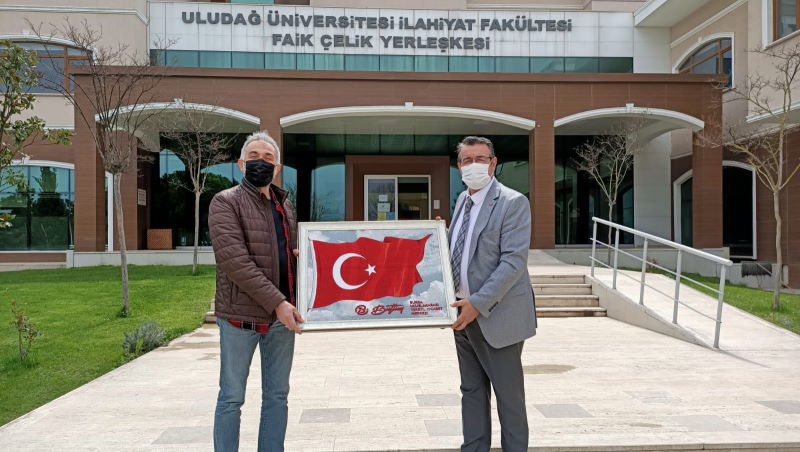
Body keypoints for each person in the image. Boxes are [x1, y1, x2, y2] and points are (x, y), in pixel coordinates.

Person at [208, 130, 304, 452]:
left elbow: (287, 255)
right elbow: (235, 262)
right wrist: (278, 302)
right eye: (253, 157)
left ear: (277, 167)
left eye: (267, 158)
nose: (260, 163)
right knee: (231, 398)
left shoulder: (285, 206)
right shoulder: (225, 202)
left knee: (277, 397)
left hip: (281, 322)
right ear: (240, 164)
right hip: (240, 320)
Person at [448, 136, 537, 451]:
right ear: (459, 167)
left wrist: (478, 303)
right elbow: (455, 253)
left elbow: (513, 262)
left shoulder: (513, 203)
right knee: (471, 392)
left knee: (508, 397)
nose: (474, 165)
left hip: (497, 316)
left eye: (481, 158)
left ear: (493, 163)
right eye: (467, 160)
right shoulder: (461, 201)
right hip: (462, 315)